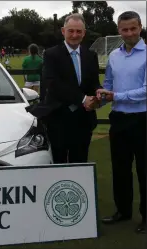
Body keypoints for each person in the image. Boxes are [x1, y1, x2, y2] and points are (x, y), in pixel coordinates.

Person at [96, 11, 146, 234]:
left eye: (133, 28)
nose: (129, 33)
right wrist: (100, 96)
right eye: (124, 29)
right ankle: (123, 211)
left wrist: (116, 96)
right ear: (118, 30)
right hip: (118, 119)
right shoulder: (114, 56)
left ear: (140, 27)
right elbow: (108, 83)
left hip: (143, 119)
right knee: (120, 169)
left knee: (144, 170)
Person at [41, 13, 102, 164]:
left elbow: (93, 82)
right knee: (59, 163)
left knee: (80, 161)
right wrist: (82, 99)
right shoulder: (51, 54)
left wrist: (99, 93)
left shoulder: (91, 55)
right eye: (71, 31)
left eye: (79, 31)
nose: (75, 35)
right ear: (63, 31)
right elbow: (53, 84)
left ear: (84, 32)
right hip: (58, 120)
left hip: (83, 120)